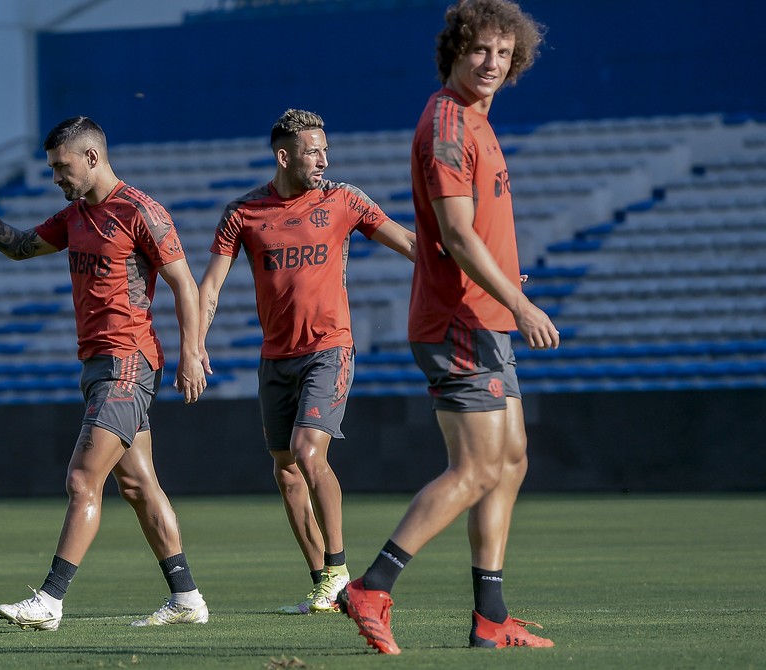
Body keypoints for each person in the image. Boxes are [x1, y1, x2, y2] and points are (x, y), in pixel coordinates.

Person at [338, 0, 559, 654]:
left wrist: (509, 297)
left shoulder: (476, 120)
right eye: (479, 51)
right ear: (455, 54)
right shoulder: (446, 124)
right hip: (458, 318)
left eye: (502, 52)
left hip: (484, 317)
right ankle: (372, 586)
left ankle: (491, 617)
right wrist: (520, 306)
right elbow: (458, 235)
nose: (491, 63)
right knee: (474, 468)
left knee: (509, 461)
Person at [0, 116, 212, 631]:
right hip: (98, 365)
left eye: (61, 166)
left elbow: (185, 284)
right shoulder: (74, 216)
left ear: (91, 157)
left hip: (128, 361)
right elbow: (20, 246)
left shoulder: (141, 211)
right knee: (139, 485)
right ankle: (186, 597)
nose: (56, 176)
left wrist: (192, 353)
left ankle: (50, 600)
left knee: (81, 478)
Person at [197, 109, 415, 615]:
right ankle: (325, 583)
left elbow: (408, 243)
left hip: (329, 348)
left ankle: (340, 568)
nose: (323, 159)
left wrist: (479, 276)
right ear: (284, 155)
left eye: (326, 151)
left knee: (308, 451)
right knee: (286, 470)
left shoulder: (343, 200)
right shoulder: (242, 213)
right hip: (275, 357)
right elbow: (210, 287)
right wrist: (194, 345)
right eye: (314, 151)